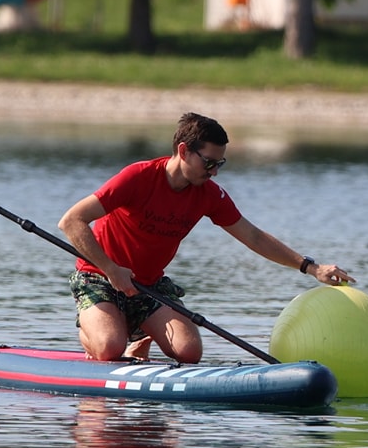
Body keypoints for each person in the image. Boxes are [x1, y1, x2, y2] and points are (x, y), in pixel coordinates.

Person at [58, 112, 351, 363]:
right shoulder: (138, 177)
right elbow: (71, 221)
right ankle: (95, 334)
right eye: (209, 163)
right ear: (184, 150)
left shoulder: (209, 195)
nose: (213, 173)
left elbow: (253, 236)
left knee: (189, 352)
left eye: (219, 165)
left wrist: (312, 268)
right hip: (100, 277)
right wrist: (110, 268)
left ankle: (137, 331)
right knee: (110, 348)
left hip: (148, 285)